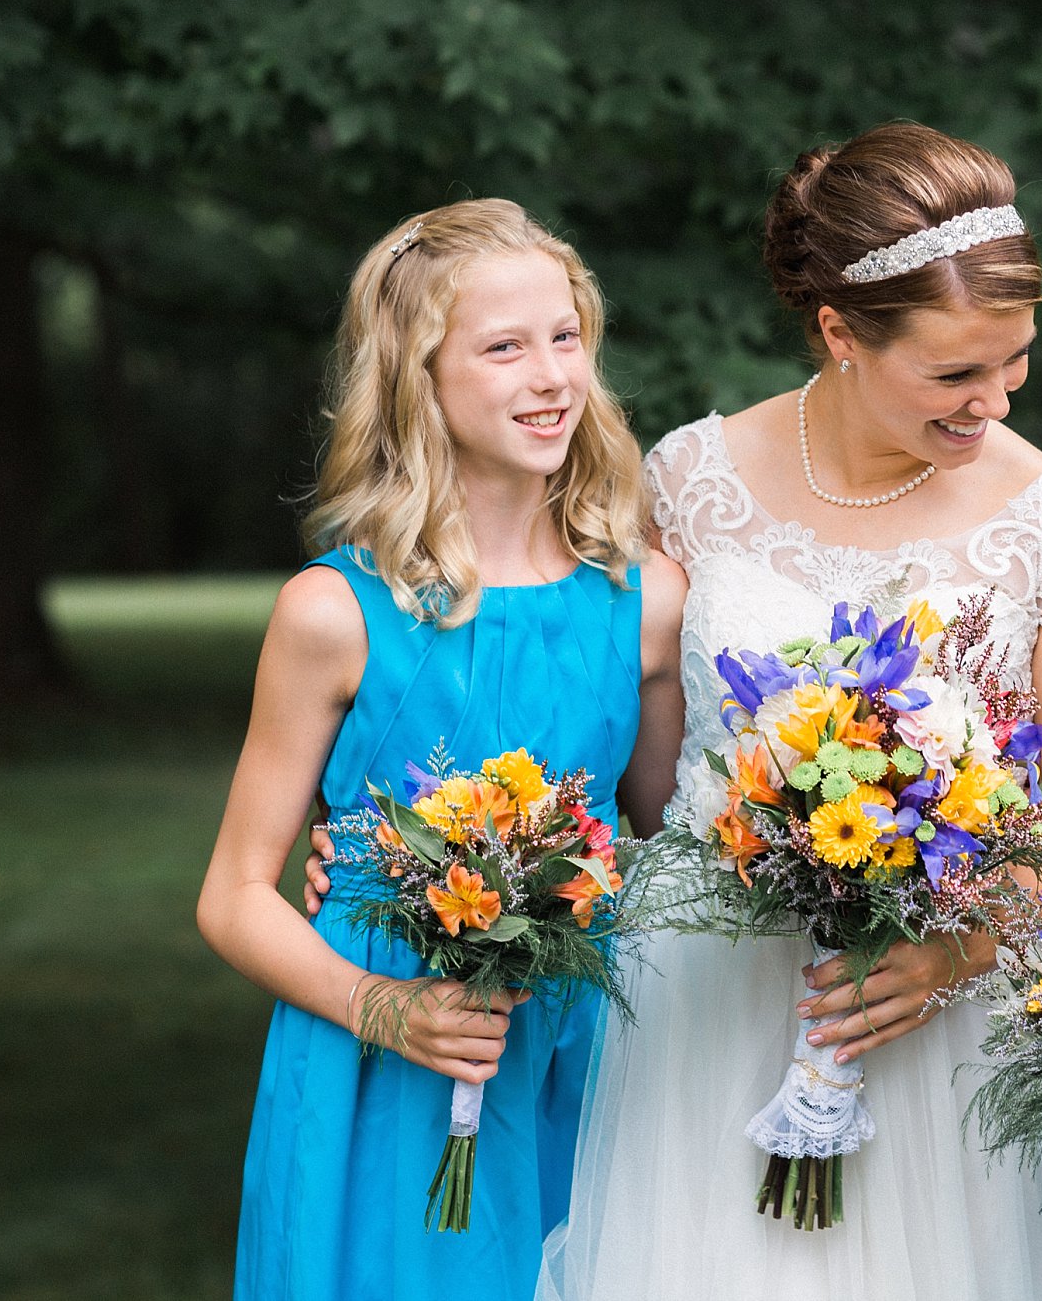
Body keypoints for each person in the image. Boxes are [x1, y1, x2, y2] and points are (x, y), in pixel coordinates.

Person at [542, 122, 1042, 1299]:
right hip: (702, 1014)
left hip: (943, 1026)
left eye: (1013, 361)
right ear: (837, 333)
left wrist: (950, 950)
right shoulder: (690, 480)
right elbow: (632, 762)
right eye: (954, 373)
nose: (994, 401)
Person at [197, 199, 685, 1301]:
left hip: (582, 1056)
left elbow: (667, 838)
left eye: (565, 337)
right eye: (504, 347)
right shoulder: (335, 612)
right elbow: (232, 892)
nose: (551, 374)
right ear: (420, 376)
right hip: (376, 1059)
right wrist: (388, 1009)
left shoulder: (645, 604)